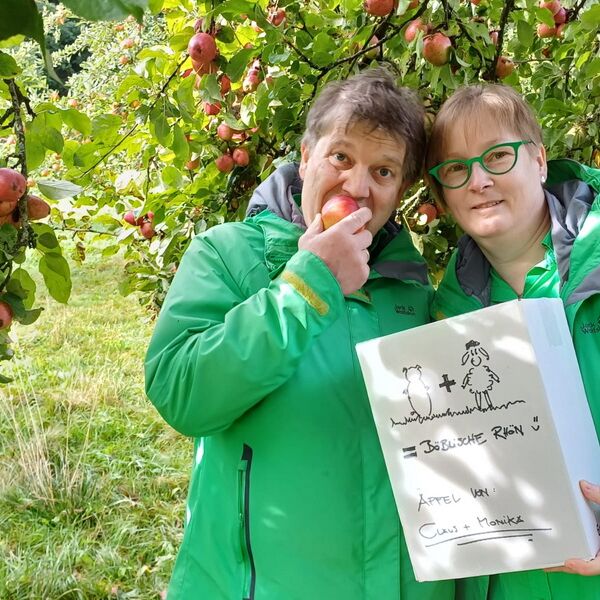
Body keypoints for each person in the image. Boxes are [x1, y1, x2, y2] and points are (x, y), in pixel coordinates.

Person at [145, 68, 455, 599]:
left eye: (383, 172)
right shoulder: (228, 255)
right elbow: (181, 392)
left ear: (401, 190)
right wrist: (308, 285)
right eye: (341, 157)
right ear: (306, 155)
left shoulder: (413, 291)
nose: (357, 186)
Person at [426, 83, 600, 599]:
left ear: (540, 161)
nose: (479, 179)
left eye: (498, 155)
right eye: (456, 168)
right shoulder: (443, 318)